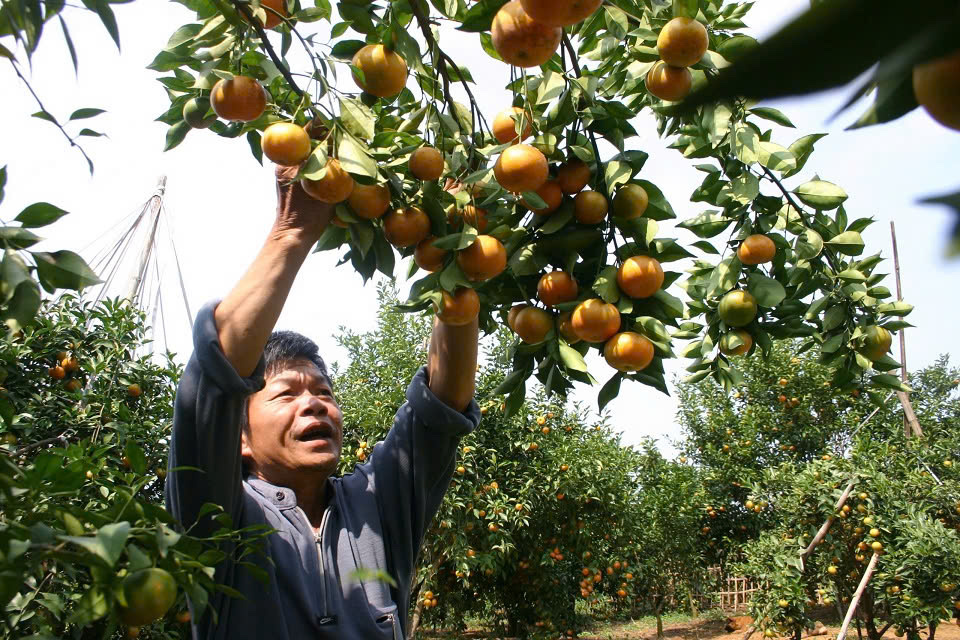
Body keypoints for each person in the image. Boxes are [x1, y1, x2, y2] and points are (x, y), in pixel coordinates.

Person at [165, 167, 481, 640]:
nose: (313, 405)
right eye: (287, 394)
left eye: (323, 393)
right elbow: (212, 381)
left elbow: (439, 411)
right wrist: (292, 233)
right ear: (241, 440)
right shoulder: (216, 516)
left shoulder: (377, 504)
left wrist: (454, 261)